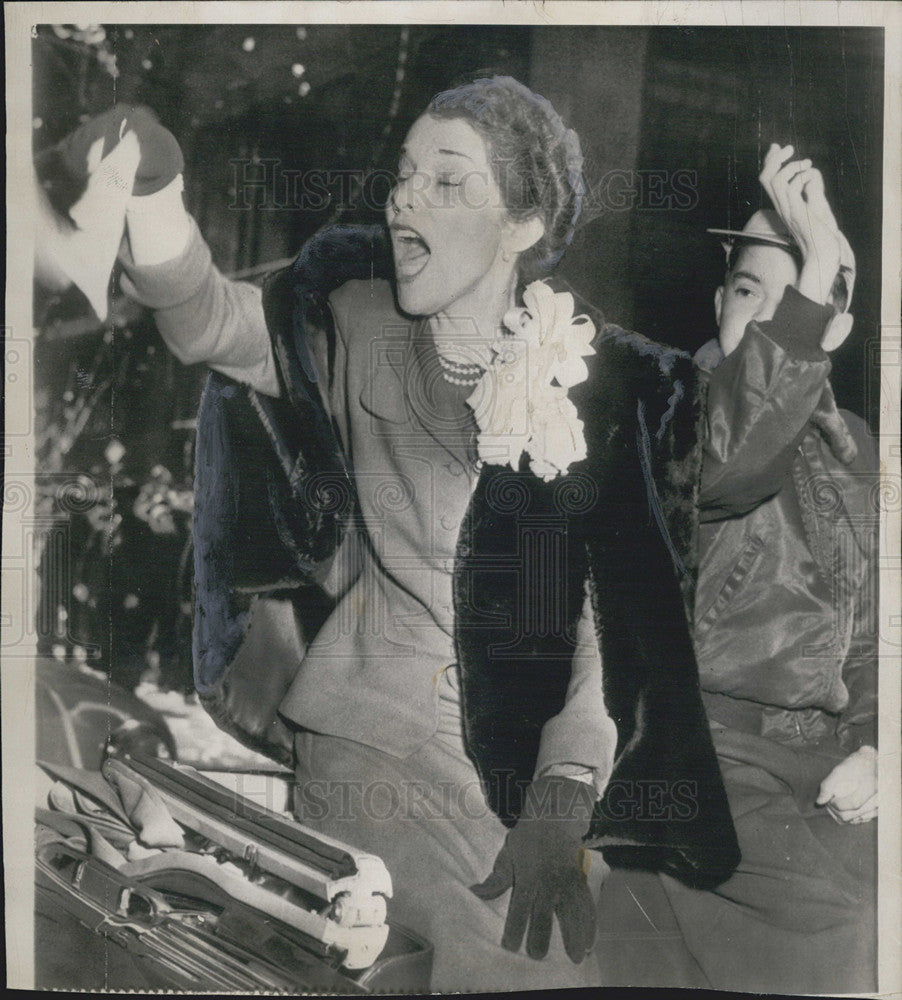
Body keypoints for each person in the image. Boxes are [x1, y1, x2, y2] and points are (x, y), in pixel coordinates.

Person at [46, 79, 749, 992]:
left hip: (529, 776)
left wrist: (566, 789)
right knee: (481, 967)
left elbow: (606, 631)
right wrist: (155, 190)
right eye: (404, 173)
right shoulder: (362, 325)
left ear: (524, 225)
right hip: (372, 737)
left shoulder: (592, 386)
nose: (406, 195)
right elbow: (215, 323)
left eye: (448, 182)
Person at [594, 145, 878, 994]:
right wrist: (816, 270)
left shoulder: (856, 448)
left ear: (836, 331)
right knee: (839, 929)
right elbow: (730, 461)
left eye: (797, 302)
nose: (764, 323)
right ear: (720, 302)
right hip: (701, 758)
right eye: (751, 294)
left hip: (817, 767)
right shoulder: (668, 412)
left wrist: (877, 744)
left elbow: (873, 632)